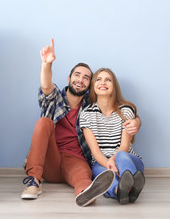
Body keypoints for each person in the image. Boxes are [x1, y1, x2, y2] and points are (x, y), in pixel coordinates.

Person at [21, 39, 142, 207]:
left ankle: (86, 193)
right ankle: (33, 181)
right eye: (77, 75)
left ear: (89, 85)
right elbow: (46, 86)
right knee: (44, 122)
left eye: (86, 78)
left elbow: (119, 108)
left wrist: (137, 120)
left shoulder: (90, 106)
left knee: (84, 175)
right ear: (69, 78)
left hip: (76, 160)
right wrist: (46, 64)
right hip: (51, 158)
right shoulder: (55, 98)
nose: (80, 80)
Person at [79, 68, 145, 205]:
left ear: (114, 86)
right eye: (99, 79)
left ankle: (129, 181)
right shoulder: (86, 114)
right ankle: (120, 192)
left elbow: (124, 147)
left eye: (108, 80)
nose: (103, 82)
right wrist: (109, 165)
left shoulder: (125, 110)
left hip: (128, 159)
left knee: (121, 157)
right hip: (102, 162)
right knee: (101, 173)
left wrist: (115, 162)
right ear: (93, 86)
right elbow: (95, 152)